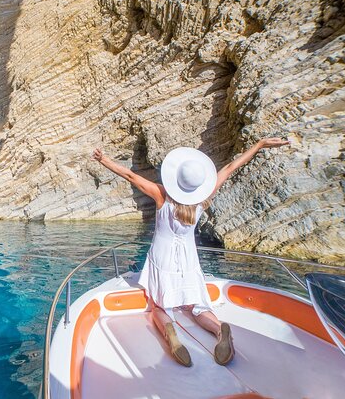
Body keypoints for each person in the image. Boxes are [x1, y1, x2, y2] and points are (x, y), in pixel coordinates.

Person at [92, 137, 290, 367]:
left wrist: (104, 159)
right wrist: (259, 145)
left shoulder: (162, 195)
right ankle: (218, 329)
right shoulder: (201, 200)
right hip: (188, 259)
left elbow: (131, 176)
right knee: (196, 306)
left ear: (176, 179)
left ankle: (170, 333)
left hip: (162, 256)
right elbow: (230, 167)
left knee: (158, 305)